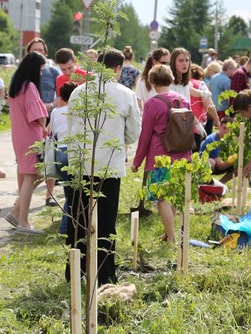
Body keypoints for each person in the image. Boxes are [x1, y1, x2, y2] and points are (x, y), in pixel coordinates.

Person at [67, 49, 141, 285]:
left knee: (78, 221)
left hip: (80, 164)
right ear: (118, 69)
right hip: (109, 165)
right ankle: (105, 273)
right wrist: (118, 140)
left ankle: (75, 271)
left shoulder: (78, 92)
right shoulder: (125, 94)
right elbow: (133, 133)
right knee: (106, 222)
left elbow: (70, 128)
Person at [131, 64, 192, 242]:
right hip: (182, 155)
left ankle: (172, 238)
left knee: (161, 198)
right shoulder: (183, 100)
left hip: (160, 156)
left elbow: (145, 135)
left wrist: (137, 161)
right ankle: (168, 233)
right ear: (171, 79)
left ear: (151, 81)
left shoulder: (152, 104)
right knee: (172, 194)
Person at [5, 51, 49, 234]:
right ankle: (23, 221)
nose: (40, 74)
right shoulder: (30, 87)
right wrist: (45, 127)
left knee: (32, 176)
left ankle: (17, 212)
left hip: (19, 136)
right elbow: (38, 115)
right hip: (32, 137)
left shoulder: (16, 87)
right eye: (40, 70)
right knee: (32, 177)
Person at [25, 39, 61, 207]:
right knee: (30, 159)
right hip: (31, 120)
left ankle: (49, 195)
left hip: (49, 117)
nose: (39, 52)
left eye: (41, 49)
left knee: (50, 156)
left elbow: (62, 95)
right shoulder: (23, 73)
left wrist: (51, 105)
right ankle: (24, 195)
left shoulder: (53, 72)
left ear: (46, 53)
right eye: (35, 50)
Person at [49, 81, 78, 235]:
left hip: (59, 153)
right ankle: (66, 227)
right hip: (72, 152)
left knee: (68, 190)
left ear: (60, 96)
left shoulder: (55, 112)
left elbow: (52, 133)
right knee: (73, 193)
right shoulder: (78, 111)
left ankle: (70, 223)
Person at [135, 47, 170, 112]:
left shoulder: (170, 80)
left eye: (168, 64)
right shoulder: (142, 81)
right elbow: (138, 103)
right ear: (154, 62)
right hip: (149, 117)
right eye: (163, 63)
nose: (167, 66)